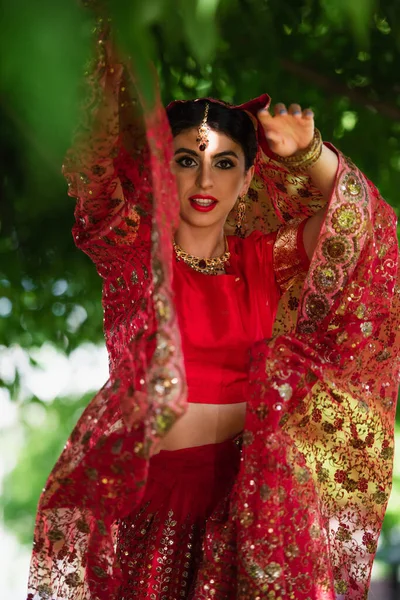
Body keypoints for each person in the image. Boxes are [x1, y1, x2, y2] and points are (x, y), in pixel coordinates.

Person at [27, 16, 399, 600]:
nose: (206, 177)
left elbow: (367, 235)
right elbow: (97, 160)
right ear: (159, 169)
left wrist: (309, 153)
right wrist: (112, 45)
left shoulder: (268, 259)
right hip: (153, 510)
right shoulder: (134, 254)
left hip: (257, 510)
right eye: (186, 159)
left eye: (225, 162)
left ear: (248, 179)